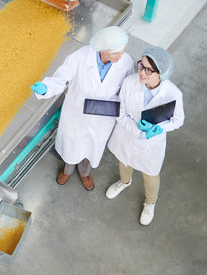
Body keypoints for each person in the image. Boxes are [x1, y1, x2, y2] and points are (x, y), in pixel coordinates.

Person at [31, 26, 134, 190]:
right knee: (71, 146)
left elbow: (128, 89)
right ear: (103, 49)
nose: (121, 56)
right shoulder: (79, 58)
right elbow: (59, 80)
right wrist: (46, 88)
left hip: (103, 117)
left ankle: (85, 173)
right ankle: (67, 170)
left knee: (92, 148)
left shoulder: (125, 62)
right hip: (76, 113)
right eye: (116, 53)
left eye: (122, 51)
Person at [106, 46, 185, 225]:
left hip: (152, 144)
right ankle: (124, 182)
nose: (141, 72)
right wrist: (136, 130)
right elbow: (121, 111)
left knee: (150, 175)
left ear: (161, 73)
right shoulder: (130, 82)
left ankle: (150, 202)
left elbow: (178, 120)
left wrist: (160, 128)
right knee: (124, 161)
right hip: (127, 135)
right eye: (141, 65)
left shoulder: (173, 94)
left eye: (148, 70)